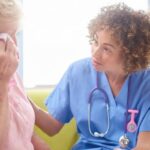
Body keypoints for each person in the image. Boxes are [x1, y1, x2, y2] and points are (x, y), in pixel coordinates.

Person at [32, 3, 150, 150]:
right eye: (95, 42)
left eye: (106, 49)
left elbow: (145, 146)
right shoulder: (78, 72)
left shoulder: (146, 84)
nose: (95, 53)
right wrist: (16, 93)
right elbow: (52, 126)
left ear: (130, 54)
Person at [0, 0, 50, 149]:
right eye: (7, 38)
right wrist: (2, 83)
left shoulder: (12, 76)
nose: (14, 43)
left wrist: (37, 142)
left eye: (16, 34)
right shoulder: (6, 76)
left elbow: (20, 126)